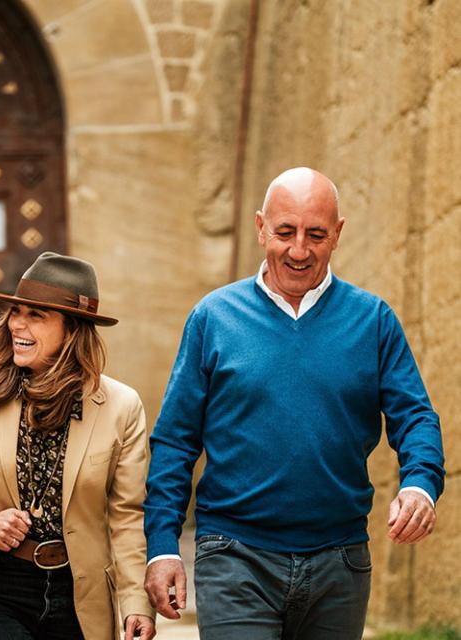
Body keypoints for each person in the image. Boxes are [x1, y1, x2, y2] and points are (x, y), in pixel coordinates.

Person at [144, 167, 445, 639]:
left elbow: (416, 416)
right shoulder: (213, 318)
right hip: (234, 556)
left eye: (316, 235)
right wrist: (163, 545)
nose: (299, 250)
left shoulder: (373, 320)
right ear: (261, 227)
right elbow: (175, 441)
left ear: (338, 234)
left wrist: (421, 484)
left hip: (340, 562)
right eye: (285, 232)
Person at [0, 252, 155, 640]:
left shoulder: (121, 407)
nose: (17, 324)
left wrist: (136, 603)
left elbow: (127, 517)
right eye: (16, 312)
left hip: (80, 594)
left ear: (72, 329)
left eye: (36, 315)